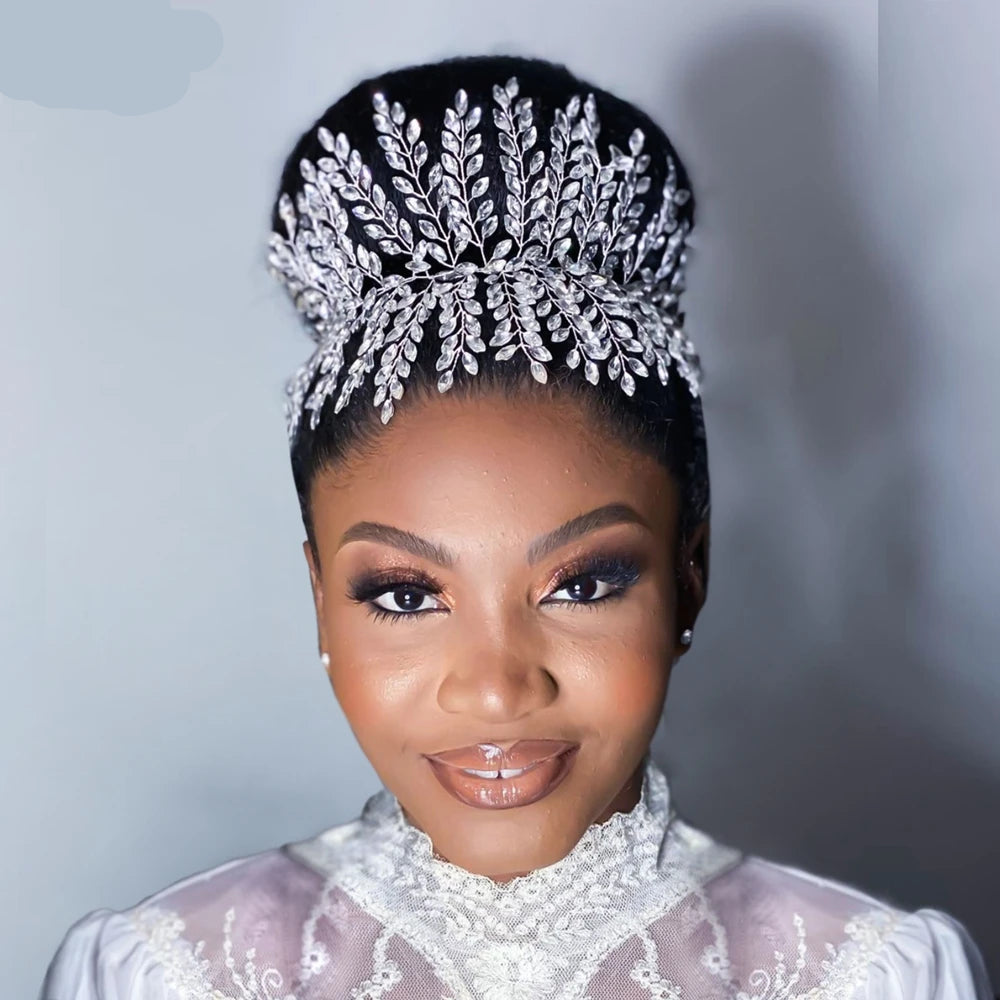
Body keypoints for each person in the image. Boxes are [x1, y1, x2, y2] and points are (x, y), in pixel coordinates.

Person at [40, 54, 993, 1000]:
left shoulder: (873, 976)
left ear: (690, 573)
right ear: (321, 600)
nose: (497, 693)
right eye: (407, 595)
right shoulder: (160, 974)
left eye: (580, 583)